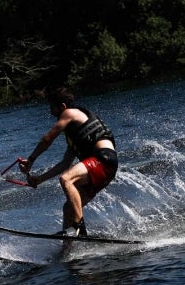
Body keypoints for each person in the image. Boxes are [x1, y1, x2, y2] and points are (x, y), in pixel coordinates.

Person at [18, 87, 118, 236]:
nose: (51, 112)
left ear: (62, 106)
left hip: (104, 159)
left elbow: (47, 139)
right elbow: (64, 164)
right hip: (105, 168)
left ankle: (78, 226)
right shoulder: (75, 138)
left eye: (52, 107)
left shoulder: (69, 112)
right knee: (68, 209)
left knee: (66, 179)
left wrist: (31, 160)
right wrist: (39, 179)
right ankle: (67, 250)